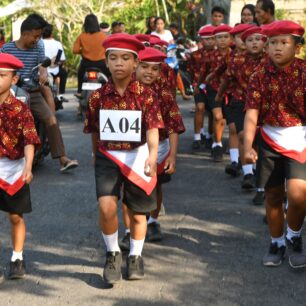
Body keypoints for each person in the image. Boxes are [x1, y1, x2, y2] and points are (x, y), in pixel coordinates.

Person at [84, 34, 164, 283]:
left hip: (138, 156)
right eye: (113, 58)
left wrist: (152, 155)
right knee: (106, 206)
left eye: (125, 58)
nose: (119, 63)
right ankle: (112, 253)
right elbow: (95, 130)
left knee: (139, 213)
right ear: (106, 62)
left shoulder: (147, 95)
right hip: (108, 156)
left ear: (135, 63)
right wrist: (94, 154)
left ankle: (136, 256)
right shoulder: (97, 97)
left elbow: (153, 129)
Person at [243, 21, 305, 268]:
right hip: (269, 139)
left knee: (299, 194)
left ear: (297, 47)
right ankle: (277, 242)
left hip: (300, 138)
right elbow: (251, 114)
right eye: (273, 43)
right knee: (273, 195)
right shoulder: (259, 75)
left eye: (284, 42)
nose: (277, 48)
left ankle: (295, 235)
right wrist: (248, 146)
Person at [120, 47, 185, 247]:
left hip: (159, 148)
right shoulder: (122, 89)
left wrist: (173, 155)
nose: (149, 72)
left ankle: (153, 221)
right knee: (127, 190)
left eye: (155, 69)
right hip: (128, 149)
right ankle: (129, 230)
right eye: (144, 67)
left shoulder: (164, 93)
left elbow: (174, 125)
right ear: (135, 66)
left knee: (155, 186)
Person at [1, 17, 78, 172]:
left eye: (39, 37)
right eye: (35, 36)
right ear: (24, 34)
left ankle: (62, 159)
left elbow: (42, 66)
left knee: (50, 118)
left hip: (33, 92)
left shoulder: (39, 46)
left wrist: (43, 72)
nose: (37, 40)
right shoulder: (6, 49)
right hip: (11, 94)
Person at [0, 53, 41, 279]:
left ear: (14, 80)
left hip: (13, 167)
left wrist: (28, 166)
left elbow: (29, 140)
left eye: (1, 75)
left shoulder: (20, 109)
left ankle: (17, 257)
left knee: (15, 216)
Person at [217, 26, 267, 192]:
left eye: (258, 39)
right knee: (242, 135)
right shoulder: (236, 60)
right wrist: (219, 94)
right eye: (250, 40)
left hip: (262, 105)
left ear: (264, 42)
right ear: (245, 43)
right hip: (240, 102)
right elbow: (227, 78)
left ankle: (260, 180)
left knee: (260, 141)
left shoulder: (269, 60)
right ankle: (247, 174)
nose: (254, 43)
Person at [216, 23, 255, 177]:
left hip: (257, 103)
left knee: (254, 137)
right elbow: (223, 75)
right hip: (235, 98)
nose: (244, 41)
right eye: (240, 37)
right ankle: (240, 166)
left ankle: (253, 169)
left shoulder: (265, 58)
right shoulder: (232, 58)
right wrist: (219, 94)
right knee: (237, 132)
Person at [205, 24, 233, 162]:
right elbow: (204, 72)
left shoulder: (234, 55)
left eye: (225, 37)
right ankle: (217, 144)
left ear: (231, 39)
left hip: (230, 90)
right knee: (217, 117)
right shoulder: (210, 56)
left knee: (226, 120)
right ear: (215, 39)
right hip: (213, 88)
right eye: (219, 37)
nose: (222, 40)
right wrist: (198, 86)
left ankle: (231, 146)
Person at [189, 25, 216, 151]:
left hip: (214, 87)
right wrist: (194, 85)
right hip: (198, 86)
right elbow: (191, 71)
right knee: (200, 108)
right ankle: (197, 137)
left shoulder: (218, 55)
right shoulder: (194, 55)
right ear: (201, 40)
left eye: (212, 39)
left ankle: (210, 136)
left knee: (212, 112)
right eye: (206, 39)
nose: (209, 41)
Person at [73, 14, 108, 99]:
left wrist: (84, 51)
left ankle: (80, 92)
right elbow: (108, 49)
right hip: (101, 64)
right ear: (97, 24)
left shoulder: (82, 36)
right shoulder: (104, 36)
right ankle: (109, 92)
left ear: (85, 24)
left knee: (80, 75)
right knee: (109, 78)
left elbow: (75, 50)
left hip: (86, 64)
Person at [42, 23, 68, 102]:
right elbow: (62, 59)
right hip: (55, 71)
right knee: (64, 73)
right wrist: (56, 63)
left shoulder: (39, 44)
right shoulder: (57, 44)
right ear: (51, 33)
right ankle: (61, 94)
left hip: (42, 71)